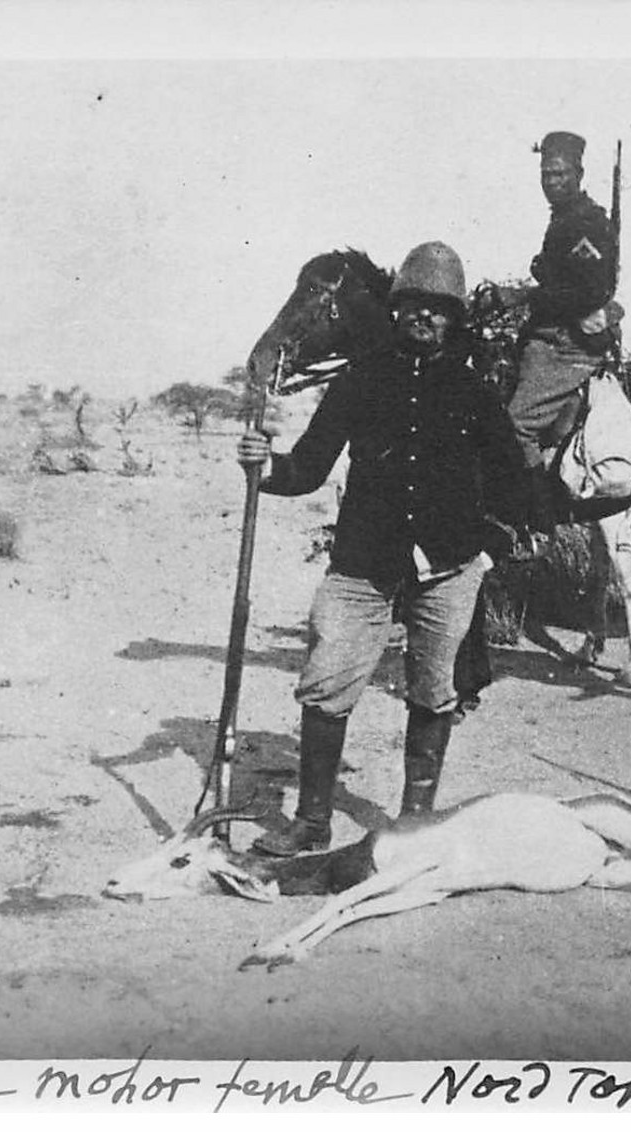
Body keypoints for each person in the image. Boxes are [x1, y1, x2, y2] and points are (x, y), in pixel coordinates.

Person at [236, 240, 528, 856]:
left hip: (449, 568)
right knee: (326, 680)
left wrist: (490, 548)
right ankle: (312, 822)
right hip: (364, 564)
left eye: (439, 308)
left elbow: (513, 482)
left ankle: (415, 821)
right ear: (396, 309)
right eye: (415, 305)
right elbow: (310, 467)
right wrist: (268, 469)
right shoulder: (359, 381)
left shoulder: (475, 392)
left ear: (454, 318)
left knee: (432, 687)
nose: (425, 316)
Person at [485, 130, 620, 537]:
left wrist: (522, 295)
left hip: (569, 346)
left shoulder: (586, 222)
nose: (551, 182)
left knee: (517, 423)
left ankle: (539, 522)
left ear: (578, 173)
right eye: (546, 174)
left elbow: (592, 290)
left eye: (560, 174)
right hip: (549, 337)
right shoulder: (563, 217)